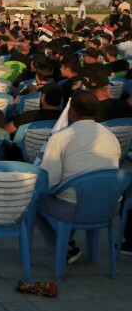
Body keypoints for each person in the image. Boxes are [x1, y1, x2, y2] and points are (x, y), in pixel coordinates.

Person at [35, 91, 121, 264]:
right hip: (108, 207)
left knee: (35, 198)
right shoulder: (111, 136)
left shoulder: (61, 138)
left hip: (73, 208)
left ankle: (64, 244)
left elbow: (48, 181)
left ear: (72, 112)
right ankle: (67, 241)